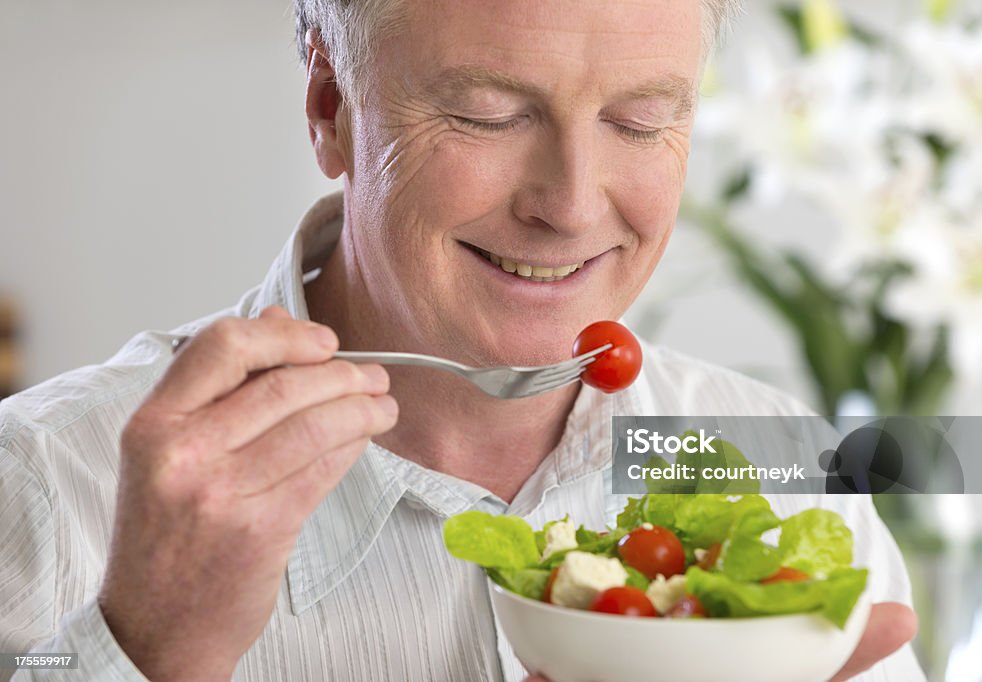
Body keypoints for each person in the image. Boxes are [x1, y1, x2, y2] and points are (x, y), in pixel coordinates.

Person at [0, 0, 922, 680]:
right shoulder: (49, 486)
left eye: (640, 121)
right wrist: (147, 650)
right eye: (488, 114)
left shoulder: (796, 468)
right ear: (330, 104)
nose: (567, 206)